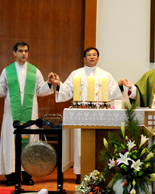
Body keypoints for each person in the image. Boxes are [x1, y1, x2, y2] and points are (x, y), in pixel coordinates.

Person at [49, 47, 123, 182]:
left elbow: (113, 93)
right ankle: (80, 172)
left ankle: (100, 170)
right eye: (89, 55)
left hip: (100, 114)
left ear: (98, 58)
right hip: (82, 113)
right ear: (84, 59)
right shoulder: (76, 74)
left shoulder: (105, 75)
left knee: (100, 141)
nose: (92, 57)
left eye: (94, 55)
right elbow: (67, 92)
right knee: (80, 142)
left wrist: (120, 85)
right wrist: (59, 83)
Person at [0, 42, 54, 186]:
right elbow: (2, 90)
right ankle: (11, 176)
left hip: (30, 115)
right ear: (14, 52)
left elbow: (40, 90)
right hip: (12, 115)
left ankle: (28, 175)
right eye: (21, 51)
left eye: (26, 51)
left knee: (30, 142)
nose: (24, 54)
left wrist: (49, 82)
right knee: (11, 142)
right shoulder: (7, 71)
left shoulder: (35, 71)